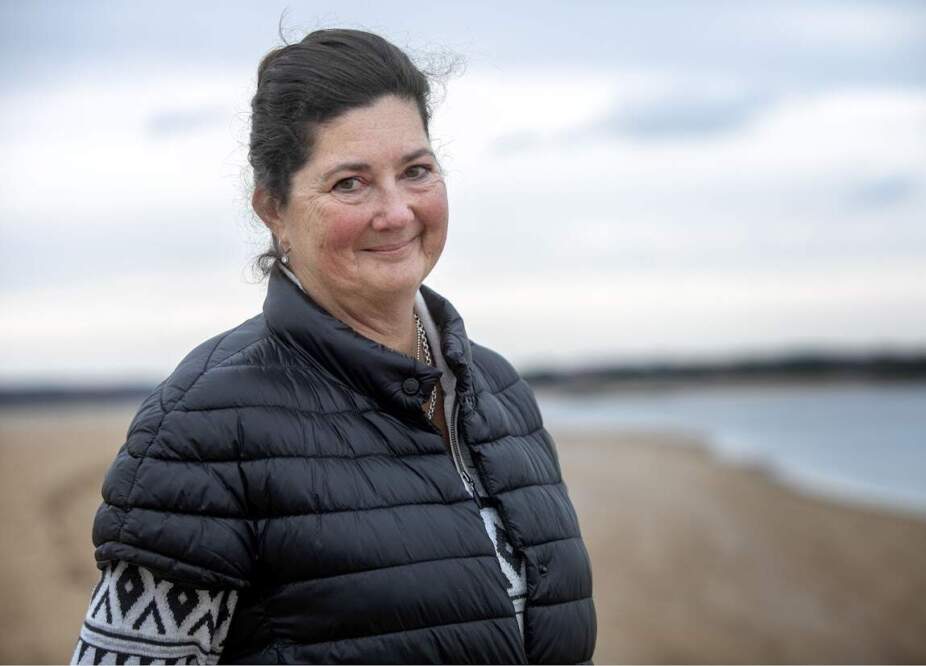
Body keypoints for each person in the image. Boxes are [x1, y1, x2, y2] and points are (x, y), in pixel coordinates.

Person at [70, 28, 596, 665]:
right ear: (274, 209)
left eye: (416, 170)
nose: (397, 211)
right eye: (351, 183)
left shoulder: (501, 393)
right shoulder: (205, 428)